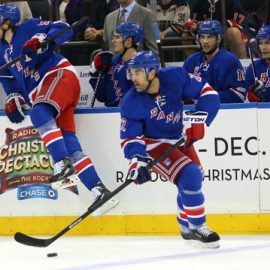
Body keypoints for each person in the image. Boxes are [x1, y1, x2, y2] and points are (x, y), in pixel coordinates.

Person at [0, 4, 118, 216]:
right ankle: (99, 190)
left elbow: (64, 27)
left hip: (58, 75)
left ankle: (61, 164)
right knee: (70, 146)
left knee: (38, 113)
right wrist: (13, 95)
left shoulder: (27, 27)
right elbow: (8, 78)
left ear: (6, 22)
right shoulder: (1, 50)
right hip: (45, 92)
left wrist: (42, 41)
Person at [120, 50, 220, 248]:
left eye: (138, 72)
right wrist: (137, 160)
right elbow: (131, 137)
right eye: (131, 73)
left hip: (177, 138)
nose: (133, 78)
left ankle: (185, 226)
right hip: (153, 145)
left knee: (195, 176)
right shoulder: (131, 101)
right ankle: (197, 226)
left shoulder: (176, 77)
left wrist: (200, 118)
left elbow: (208, 92)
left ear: (152, 72)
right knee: (190, 174)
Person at [183, 20, 246, 103]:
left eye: (209, 37)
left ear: (218, 39)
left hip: (224, 113)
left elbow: (239, 94)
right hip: (195, 113)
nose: (205, 41)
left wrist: (207, 98)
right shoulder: (191, 61)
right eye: (202, 37)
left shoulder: (230, 61)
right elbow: (182, 90)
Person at [89, 22, 144, 107]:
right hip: (110, 115)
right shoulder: (112, 61)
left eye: (117, 37)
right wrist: (95, 72)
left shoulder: (142, 65)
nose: (113, 41)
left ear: (128, 41)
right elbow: (102, 96)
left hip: (131, 116)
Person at [191, 0, 262, 59]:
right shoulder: (200, 2)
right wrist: (194, 25)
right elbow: (195, 20)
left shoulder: (230, 1)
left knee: (233, 32)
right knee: (185, 35)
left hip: (229, 31)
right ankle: (194, 70)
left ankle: (242, 66)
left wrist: (221, 25)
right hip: (206, 34)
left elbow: (240, 20)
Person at [245, 24, 270, 102]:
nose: (263, 47)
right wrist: (249, 97)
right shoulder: (253, 67)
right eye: (261, 43)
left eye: (267, 43)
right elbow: (244, 100)